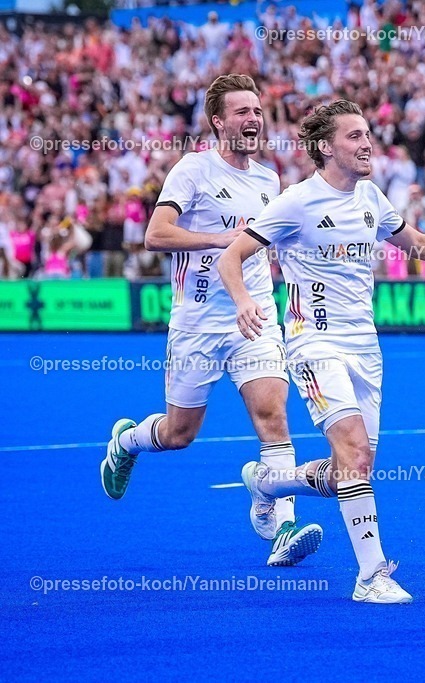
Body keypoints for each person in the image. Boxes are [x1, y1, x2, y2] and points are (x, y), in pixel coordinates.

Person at [218, 99, 425, 604]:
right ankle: (370, 575)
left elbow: (417, 244)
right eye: (355, 136)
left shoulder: (371, 196)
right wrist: (242, 301)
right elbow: (233, 255)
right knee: (350, 447)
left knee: (357, 464)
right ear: (326, 147)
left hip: (366, 346)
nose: (367, 143)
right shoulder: (296, 201)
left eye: (368, 134)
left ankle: (269, 483)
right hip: (313, 342)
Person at [100, 74, 323, 568]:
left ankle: (279, 519)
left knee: (274, 416)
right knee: (179, 435)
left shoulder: (269, 180)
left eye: (258, 111)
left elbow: (275, 244)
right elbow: (156, 235)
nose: (253, 120)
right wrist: (221, 240)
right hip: (198, 323)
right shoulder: (193, 170)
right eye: (242, 112)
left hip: (256, 316)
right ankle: (128, 441)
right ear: (219, 121)